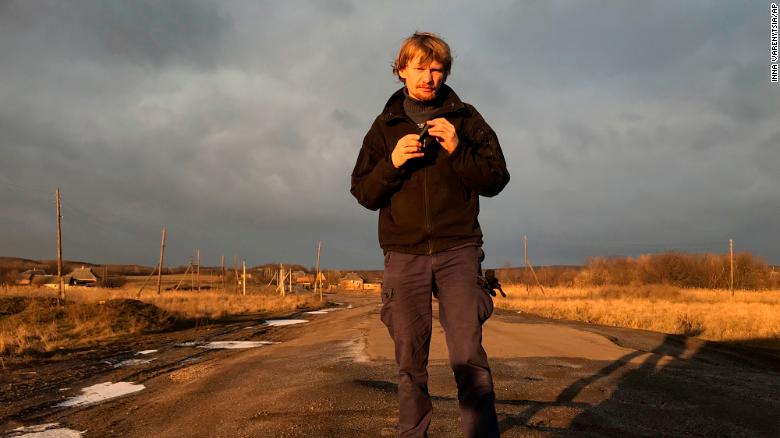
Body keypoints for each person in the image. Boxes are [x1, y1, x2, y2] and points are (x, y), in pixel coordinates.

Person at [351, 32, 509, 437]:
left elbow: (495, 179)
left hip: (459, 249)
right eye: (420, 68)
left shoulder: (467, 119)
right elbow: (364, 193)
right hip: (404, 254)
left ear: (446, 72)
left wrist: (459, 149)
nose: (429, 77)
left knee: (469, 358)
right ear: (402, 70)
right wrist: (392, 162)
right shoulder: (384, 127)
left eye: (437, 69)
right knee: (409, 364)